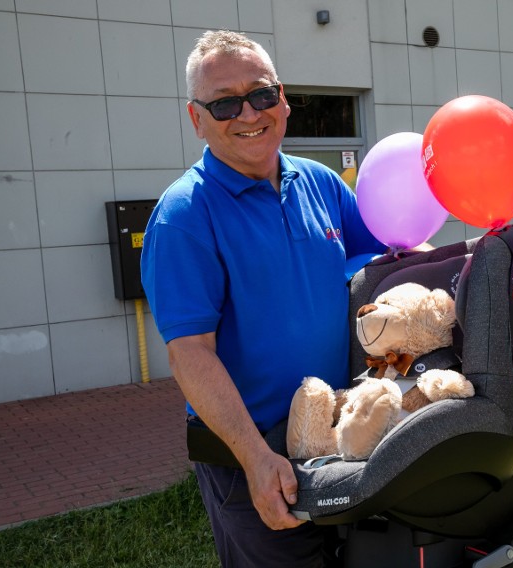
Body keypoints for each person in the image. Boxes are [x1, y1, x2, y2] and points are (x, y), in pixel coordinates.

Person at [140, 30, 388, 567]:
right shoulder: (184, 217)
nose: (248, 112)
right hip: (253, 452)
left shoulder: (320, 182)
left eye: (261, 94)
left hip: (341, 432)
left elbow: (389, 262)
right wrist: (255, 459)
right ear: (196, 119)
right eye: (225, 102)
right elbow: (190, 354)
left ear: (284, 100)